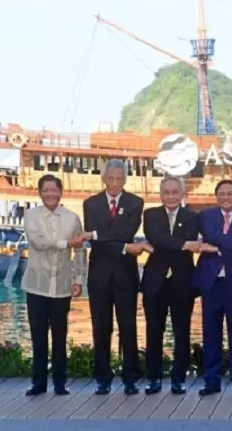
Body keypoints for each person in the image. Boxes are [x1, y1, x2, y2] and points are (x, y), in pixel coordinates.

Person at [82, 159, 152, 395]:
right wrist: (122, 246)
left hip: (125, 275)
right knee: (101, 327)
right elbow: (96, 243)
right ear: (103, 178)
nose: (114, 183)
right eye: (110, 178)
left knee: (128, 326)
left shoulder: (135, 202)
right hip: (99, 276)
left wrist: (99, 235)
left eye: (119, 179)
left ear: (125, 179)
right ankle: (102, 377)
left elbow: (126, 232)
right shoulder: (90, 204)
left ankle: (130, 377)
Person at [21, 174, 86, 396]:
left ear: (61, 192)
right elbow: (38, 243)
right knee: (38, 337)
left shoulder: (72, 217)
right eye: (45, 190)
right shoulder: (30, 215)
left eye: (54, 190)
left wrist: (78, 280)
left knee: (60, 337)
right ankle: (38, 384)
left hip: (62, 286)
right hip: (36, 286)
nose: (50, 194)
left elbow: (79, 251)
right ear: (40, 193)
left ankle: (60, 383)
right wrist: (67, 243)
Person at [141, 176, 205, 395]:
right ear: (161, 194)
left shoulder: (192, 217)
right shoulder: (150, 215)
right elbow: (155, 237)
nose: (170, 196)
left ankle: (178, 379)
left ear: (182, 194)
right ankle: (154, 378)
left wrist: (171, 243)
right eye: (166, 192)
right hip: (155, 282)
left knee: (182, 332)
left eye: (174, 192)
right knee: (154, 331)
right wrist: (185, 244)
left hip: (182, 282)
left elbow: (162, 242)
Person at [194, 180, 232, 397]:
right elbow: (210, 236)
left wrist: (221, 245)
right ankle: (211, 381)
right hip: (211, 284)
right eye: (221, 194)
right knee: (211, 333)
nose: (226, 197)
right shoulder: (206, 216)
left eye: (230, 194)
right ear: (216, 196)